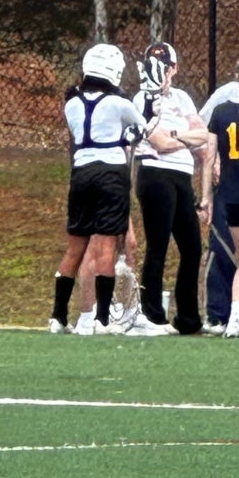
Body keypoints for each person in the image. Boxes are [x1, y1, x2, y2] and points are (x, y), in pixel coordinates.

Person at [48, 44, 147, 336]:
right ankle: (102, 319)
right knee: (105, 246)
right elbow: (140, 130)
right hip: (110, 175)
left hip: (81, 174)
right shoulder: (121, 104)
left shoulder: (72, 103)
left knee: (74, 247)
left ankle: (57, 317)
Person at [129, 42, 208, 336]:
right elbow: (158, 143)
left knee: (191, 247)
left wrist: (176, 136)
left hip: (182, 176)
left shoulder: (182, 98)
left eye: (164, 66)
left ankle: (188, 317)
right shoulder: (142, 100)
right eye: (152, 65)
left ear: (174, 69)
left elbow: (203, 134)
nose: (159, 72)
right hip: (155, 174)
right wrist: (184, 137)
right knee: (158, 244)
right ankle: (152, 314)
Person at [198, 59, 239, 334]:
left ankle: (230, 317)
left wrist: (205, 196)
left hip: (230, 188)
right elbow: (206, 144)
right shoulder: (224, 95)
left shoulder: (223, 110)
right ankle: (220, 313)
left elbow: (208, 150)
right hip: (228, 186)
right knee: (224, 250)